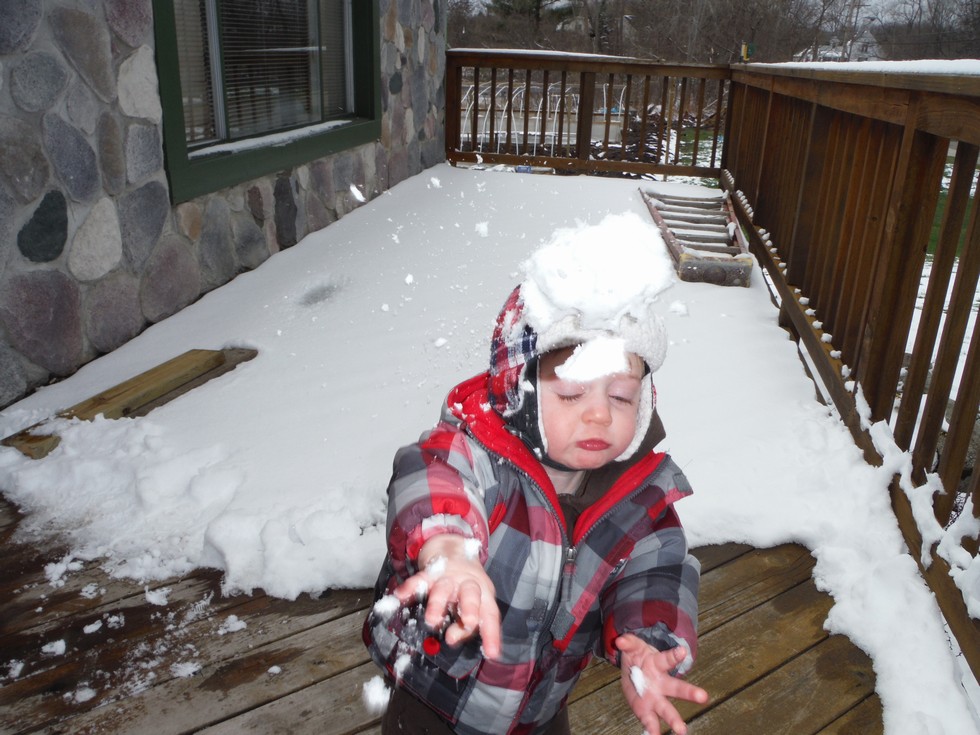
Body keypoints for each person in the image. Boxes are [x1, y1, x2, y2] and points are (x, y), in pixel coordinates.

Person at [363, 241, 706, 735]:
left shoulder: (638, 500)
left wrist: (649, 642)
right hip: (433, 699)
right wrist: (448, 550)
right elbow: (432, 472)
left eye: (621, 396)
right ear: (519, 390)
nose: (599, 413)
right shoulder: (481, 457)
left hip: (542, 709)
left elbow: (656, 572)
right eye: (571, 393)